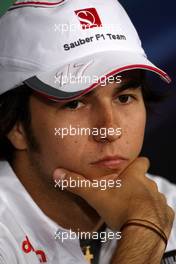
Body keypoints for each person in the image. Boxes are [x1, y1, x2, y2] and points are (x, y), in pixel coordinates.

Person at [0, 0, 175, 263]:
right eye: (74, 103)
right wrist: (144, 230)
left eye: (124, 97)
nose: (110, 130)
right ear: (16, 126)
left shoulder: (170, 202)